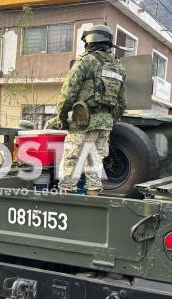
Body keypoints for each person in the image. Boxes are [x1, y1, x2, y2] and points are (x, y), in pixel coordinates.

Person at [57, 24, 126, 196]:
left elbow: (68, 93)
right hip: (104, 124)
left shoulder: (85, 61)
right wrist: (110, 119)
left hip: (84, 122)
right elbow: (121, 101)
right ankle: (92, 206)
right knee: (94, 165)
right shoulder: (118, 67)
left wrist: (62, 117)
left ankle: (66, 206)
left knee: (71, 163)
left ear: (89, 42)